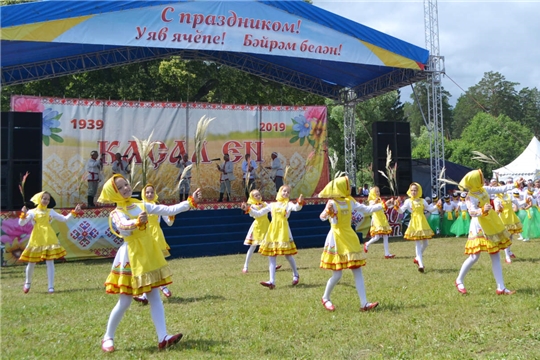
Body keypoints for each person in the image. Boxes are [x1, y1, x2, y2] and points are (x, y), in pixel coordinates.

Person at [98, 174, 201, 352]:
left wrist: (190, 201)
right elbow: (123, 226)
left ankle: (163, 337)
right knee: (125, 301)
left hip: (148, 254)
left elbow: (167, 210)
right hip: (131, 256)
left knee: (154, 295)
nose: (126, 188)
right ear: (113, 193)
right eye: (121, 187)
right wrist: (137, 222)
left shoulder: (140, 204)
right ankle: (108, 336)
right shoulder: (116, 213)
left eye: (127, 184)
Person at [318, 176, 394, 312]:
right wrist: (328, 211)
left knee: (357, 270)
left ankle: (364, 303)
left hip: (349, 237)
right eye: (348, 185)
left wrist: (383, 205)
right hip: (336, 238)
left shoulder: (350, 201)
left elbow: (367, 209)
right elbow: (322, 217)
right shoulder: (332, 202)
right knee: (337, 275)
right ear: (341, 187)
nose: (350, 187)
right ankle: (325, 298)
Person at [454, 170, 523, 295]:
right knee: (475, 256)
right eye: (480, 178)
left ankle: (501, 287)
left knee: (495, 254)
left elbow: (500, 189)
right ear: (475, 181)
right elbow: (472, 212)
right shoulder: (470, 197)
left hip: (491, 223)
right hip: (479, 226)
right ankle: (459, 280)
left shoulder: (484, 189)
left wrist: (515, 185)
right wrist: (482, 210)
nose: (483, 179)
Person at [18, 191, 82, 294]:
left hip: (49, 238)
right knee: (31, 262)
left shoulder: (51, 211)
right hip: (36, 238)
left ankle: (50, 287)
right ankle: (27, 283)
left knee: (50, 262)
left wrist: (74, 212)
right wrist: (23, 214)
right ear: (39, 199)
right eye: (44, 198)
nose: (46, 201)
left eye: (48, 199)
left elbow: (64, 219)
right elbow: (21, 223)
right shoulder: (32, 212)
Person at [247, 185, 304, 289]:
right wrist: (248, 210)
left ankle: (295, 274)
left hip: (284, 231)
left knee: (288, 255)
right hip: (273, 231)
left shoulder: (289, 204)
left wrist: (299, 202)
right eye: (284, 191)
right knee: (272, 256)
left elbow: (296, 208)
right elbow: (259, 213)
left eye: (288, 192)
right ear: (279, 191)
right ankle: (272, 281)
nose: (286, 193)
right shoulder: (272, 205)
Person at [133, 184, 175, 304]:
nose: (149, 195)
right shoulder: (139, 206)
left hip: (156, 236)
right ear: (143, 193)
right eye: (147, 192)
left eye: (151, 192)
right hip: (144, 236)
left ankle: (157, 289)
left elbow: (169, 222)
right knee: (147, 265)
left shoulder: (158, 207)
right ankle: (155, 290)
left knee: (157, 263)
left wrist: (171, 214)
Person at [395, 182, 439, 273]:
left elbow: (430, 209)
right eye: (412, 190)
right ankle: (421, 264)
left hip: (422, 222)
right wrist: (396, 206)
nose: (413, 192)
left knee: (426, 243)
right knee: (418, 244)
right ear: (409, 191)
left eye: (415, 190)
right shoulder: (408, 201)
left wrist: (437, 205)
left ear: (418, 191)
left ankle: (417, 258)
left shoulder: (423, 201)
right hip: (414, 224)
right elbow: (401, 211)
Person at [240, 189, 282, 273]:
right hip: (257, 227)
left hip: (266, 225)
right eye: (256, 195)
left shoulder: (265, 204)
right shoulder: (252, 206)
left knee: (269, 245)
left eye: (259, 194)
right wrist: (247, 208)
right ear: (252, 197)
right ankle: (246, 266)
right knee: (253, 246)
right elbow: (255, 214)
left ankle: (273, 264)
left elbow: (272, 207)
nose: (258, 196)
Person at [362, 186, 395, 258]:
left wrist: (391, 203)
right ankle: (367, 244)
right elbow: (371, 207)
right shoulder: (371, 200)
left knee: (385, 236)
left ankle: (387, 253)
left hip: (382, 219)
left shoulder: (380, 200)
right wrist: (375, 201)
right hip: (376, 219)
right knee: (377, 237)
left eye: (378, 191)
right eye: (376, 191)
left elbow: (385, 207)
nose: (378, 193)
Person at [494, 189, 523, 263]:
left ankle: (509, 251)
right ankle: (507, 256)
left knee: (511, 236)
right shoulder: (497, 199)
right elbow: (497, 210)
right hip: (503, 219)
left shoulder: (509, 196)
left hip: (511, 217)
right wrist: (499, 209)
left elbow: (517, 202)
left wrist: (521, 204)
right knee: (506, 237)